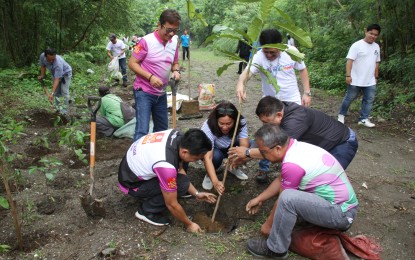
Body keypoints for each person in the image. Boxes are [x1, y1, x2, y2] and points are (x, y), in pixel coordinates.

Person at [244, 124, 358, 258]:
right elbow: (282, 179)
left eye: (263, 152)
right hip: (340, 207)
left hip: (342, 214)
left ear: (278, 148)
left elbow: (283, 199)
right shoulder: (296, 148)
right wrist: (259, 199)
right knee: (289, 197)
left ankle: (275, 249)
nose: (261, 155)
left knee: (288, 198)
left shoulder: (292, 165)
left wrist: (268, 226)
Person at [230, 96, 358, 182]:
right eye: (263, 122)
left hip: (342, 143)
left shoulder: (295, 121)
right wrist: (247, 154)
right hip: (320, 143)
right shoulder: (282, 109)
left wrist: (247, 153)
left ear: (279, 115)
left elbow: (278, 152)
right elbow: (267, 144)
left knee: (324, 180)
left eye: (267, 122)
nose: (266, 126)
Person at [118, 128, 217, 231]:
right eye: (196, 158)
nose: (195, 161)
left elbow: (180, 170)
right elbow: (172, 204)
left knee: (182, 178)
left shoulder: (178, 136)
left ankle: (155, 195)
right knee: (181, 185)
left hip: (131, 168)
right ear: (185, 151)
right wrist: (189, 224)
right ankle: (146, 211)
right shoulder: (166, 166)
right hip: (131, 183)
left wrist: (196, 194)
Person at [128, 9, 181, 141]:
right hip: (143, 92)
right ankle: (137, 159)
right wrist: (150, 77)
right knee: (142, 130)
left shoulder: (174, 41)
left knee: (162, 130)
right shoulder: (144, 41)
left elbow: (175, 62)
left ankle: (155, 157)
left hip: (161, 93)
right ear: (159, 25)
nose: (172, 33)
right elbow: (132, 63)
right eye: (169, 30)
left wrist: (176, 71)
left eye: (175, 30)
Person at [236, 28, 312, 107]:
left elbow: (302, 69)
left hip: (292, 99)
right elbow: (247, 72)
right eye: (266, 52)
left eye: (272, 52)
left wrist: (307, 93)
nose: (269, 55)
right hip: (270, 103)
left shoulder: (291, 51)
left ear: (280, 45)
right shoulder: (259, 56)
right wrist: (241, 83)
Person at [338, 24, 381, 128]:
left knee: (369, 99)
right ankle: (341, 115)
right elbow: (349, 61)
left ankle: (363, 119)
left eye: (375, 35)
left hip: (370, 80)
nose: (373, 36)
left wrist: (376, 77)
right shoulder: (357, 45)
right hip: (356, 79)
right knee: (349, 98)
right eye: (371, 33)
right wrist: (348, 75)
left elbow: (377, 62)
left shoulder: (376, 46)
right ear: (366, 31)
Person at [200, 102, 249, 192]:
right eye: (221, 123)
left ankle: (233, 167)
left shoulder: (241, 122)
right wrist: (215, 182)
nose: (225, 127)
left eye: (229, 123)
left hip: (231, 146)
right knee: (216, 157)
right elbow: (208, 157)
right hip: (214, 149)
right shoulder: (208, 126)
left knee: (251, 147)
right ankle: (209, 174)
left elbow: (244, 146)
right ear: (216, 120)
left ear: (235, 120)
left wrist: (237, 159)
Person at [37, 47, 72, 115]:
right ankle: (58, 109)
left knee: (64, 92)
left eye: (53, 59)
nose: (51, 61)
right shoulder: (42, 56)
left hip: (66, 73)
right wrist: (42, 75)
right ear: (45, 56)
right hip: (55, 74)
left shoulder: (58, 63)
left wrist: (51, 93)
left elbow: (57, 80)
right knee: (57, 92)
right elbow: (43, 66)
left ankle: (64, 112)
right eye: (49, 60)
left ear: (55, 56)